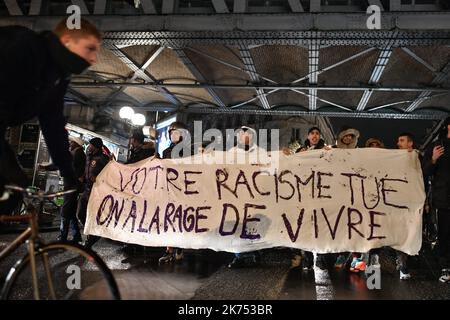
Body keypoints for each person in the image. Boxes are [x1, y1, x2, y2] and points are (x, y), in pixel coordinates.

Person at [0, 18, 101, 213]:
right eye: (90, 48)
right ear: (67, 41)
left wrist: (67, 172)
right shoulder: (23, 47)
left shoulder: (56, 76)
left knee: (16, 185)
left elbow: (52, 122)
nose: (94, 58)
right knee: (9, 182)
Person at [285, 127, 328, 271]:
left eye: (317, 134)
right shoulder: (301, 150)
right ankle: (308, 258)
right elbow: (291, 164)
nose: (315, 136)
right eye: (312, 134)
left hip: (320, 191)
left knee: (319, 224)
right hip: (303, 192)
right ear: (308, 136)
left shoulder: (325, 149)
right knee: (305, 225)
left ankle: (320, 257)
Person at [227, 126, 265, 269]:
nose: (244, 136)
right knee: (238, 224)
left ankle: (256, 253)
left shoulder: (261, 152)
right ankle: (239, 255)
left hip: (255, 194)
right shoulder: (231, 153)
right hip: (237, 194)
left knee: (255, 222)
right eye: (241, 134)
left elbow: (268, 168)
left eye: (247, 133)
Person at [40, 136, 86, 242]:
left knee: (65, 211)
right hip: (72, 186)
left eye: (72, 142)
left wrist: (47, 167)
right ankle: (76, 235)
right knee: (71, 212)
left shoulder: (77, 154)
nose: (70, 143)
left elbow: (63, 165)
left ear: (76, 144)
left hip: (71, 187)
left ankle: (63, 236)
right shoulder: (77, 153)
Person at [422, 117, 450, 283]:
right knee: (445, 233)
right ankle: (445, 266)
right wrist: (433, 159)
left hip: (443, 195)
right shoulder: (437, 145)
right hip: (444, 197)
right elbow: (425, 172)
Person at [159, 122, 189, 263]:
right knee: (168, 219)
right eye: (171, 133)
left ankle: (179, 248)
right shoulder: (166, 152)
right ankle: (169, 249)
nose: (173, 135)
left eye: (176, 132)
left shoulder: (188, 151)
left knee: (179, 220)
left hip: (182, 190)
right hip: (168, 190)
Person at [77, 137, 110, 249]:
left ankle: (91, 240)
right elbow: (85, 170)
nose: (89, 147)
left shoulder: (103, 158)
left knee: (93, 215)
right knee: (81, 214)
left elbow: (108, 174)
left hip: (97, 192)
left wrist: (98, 178)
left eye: (91, 145)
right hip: (86, 190)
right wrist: (83, 177)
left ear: (95, 147)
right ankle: (92, 234)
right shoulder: (88, 157)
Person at [394, 132, 419, 280]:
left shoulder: (417, 157)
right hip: (393, 202)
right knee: (396, 233)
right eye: (398, 140)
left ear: (410, 143)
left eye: (402, 140)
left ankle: (403, 264)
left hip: (409, 203)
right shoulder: (392, 157)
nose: (398, 143)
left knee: (404, 234)